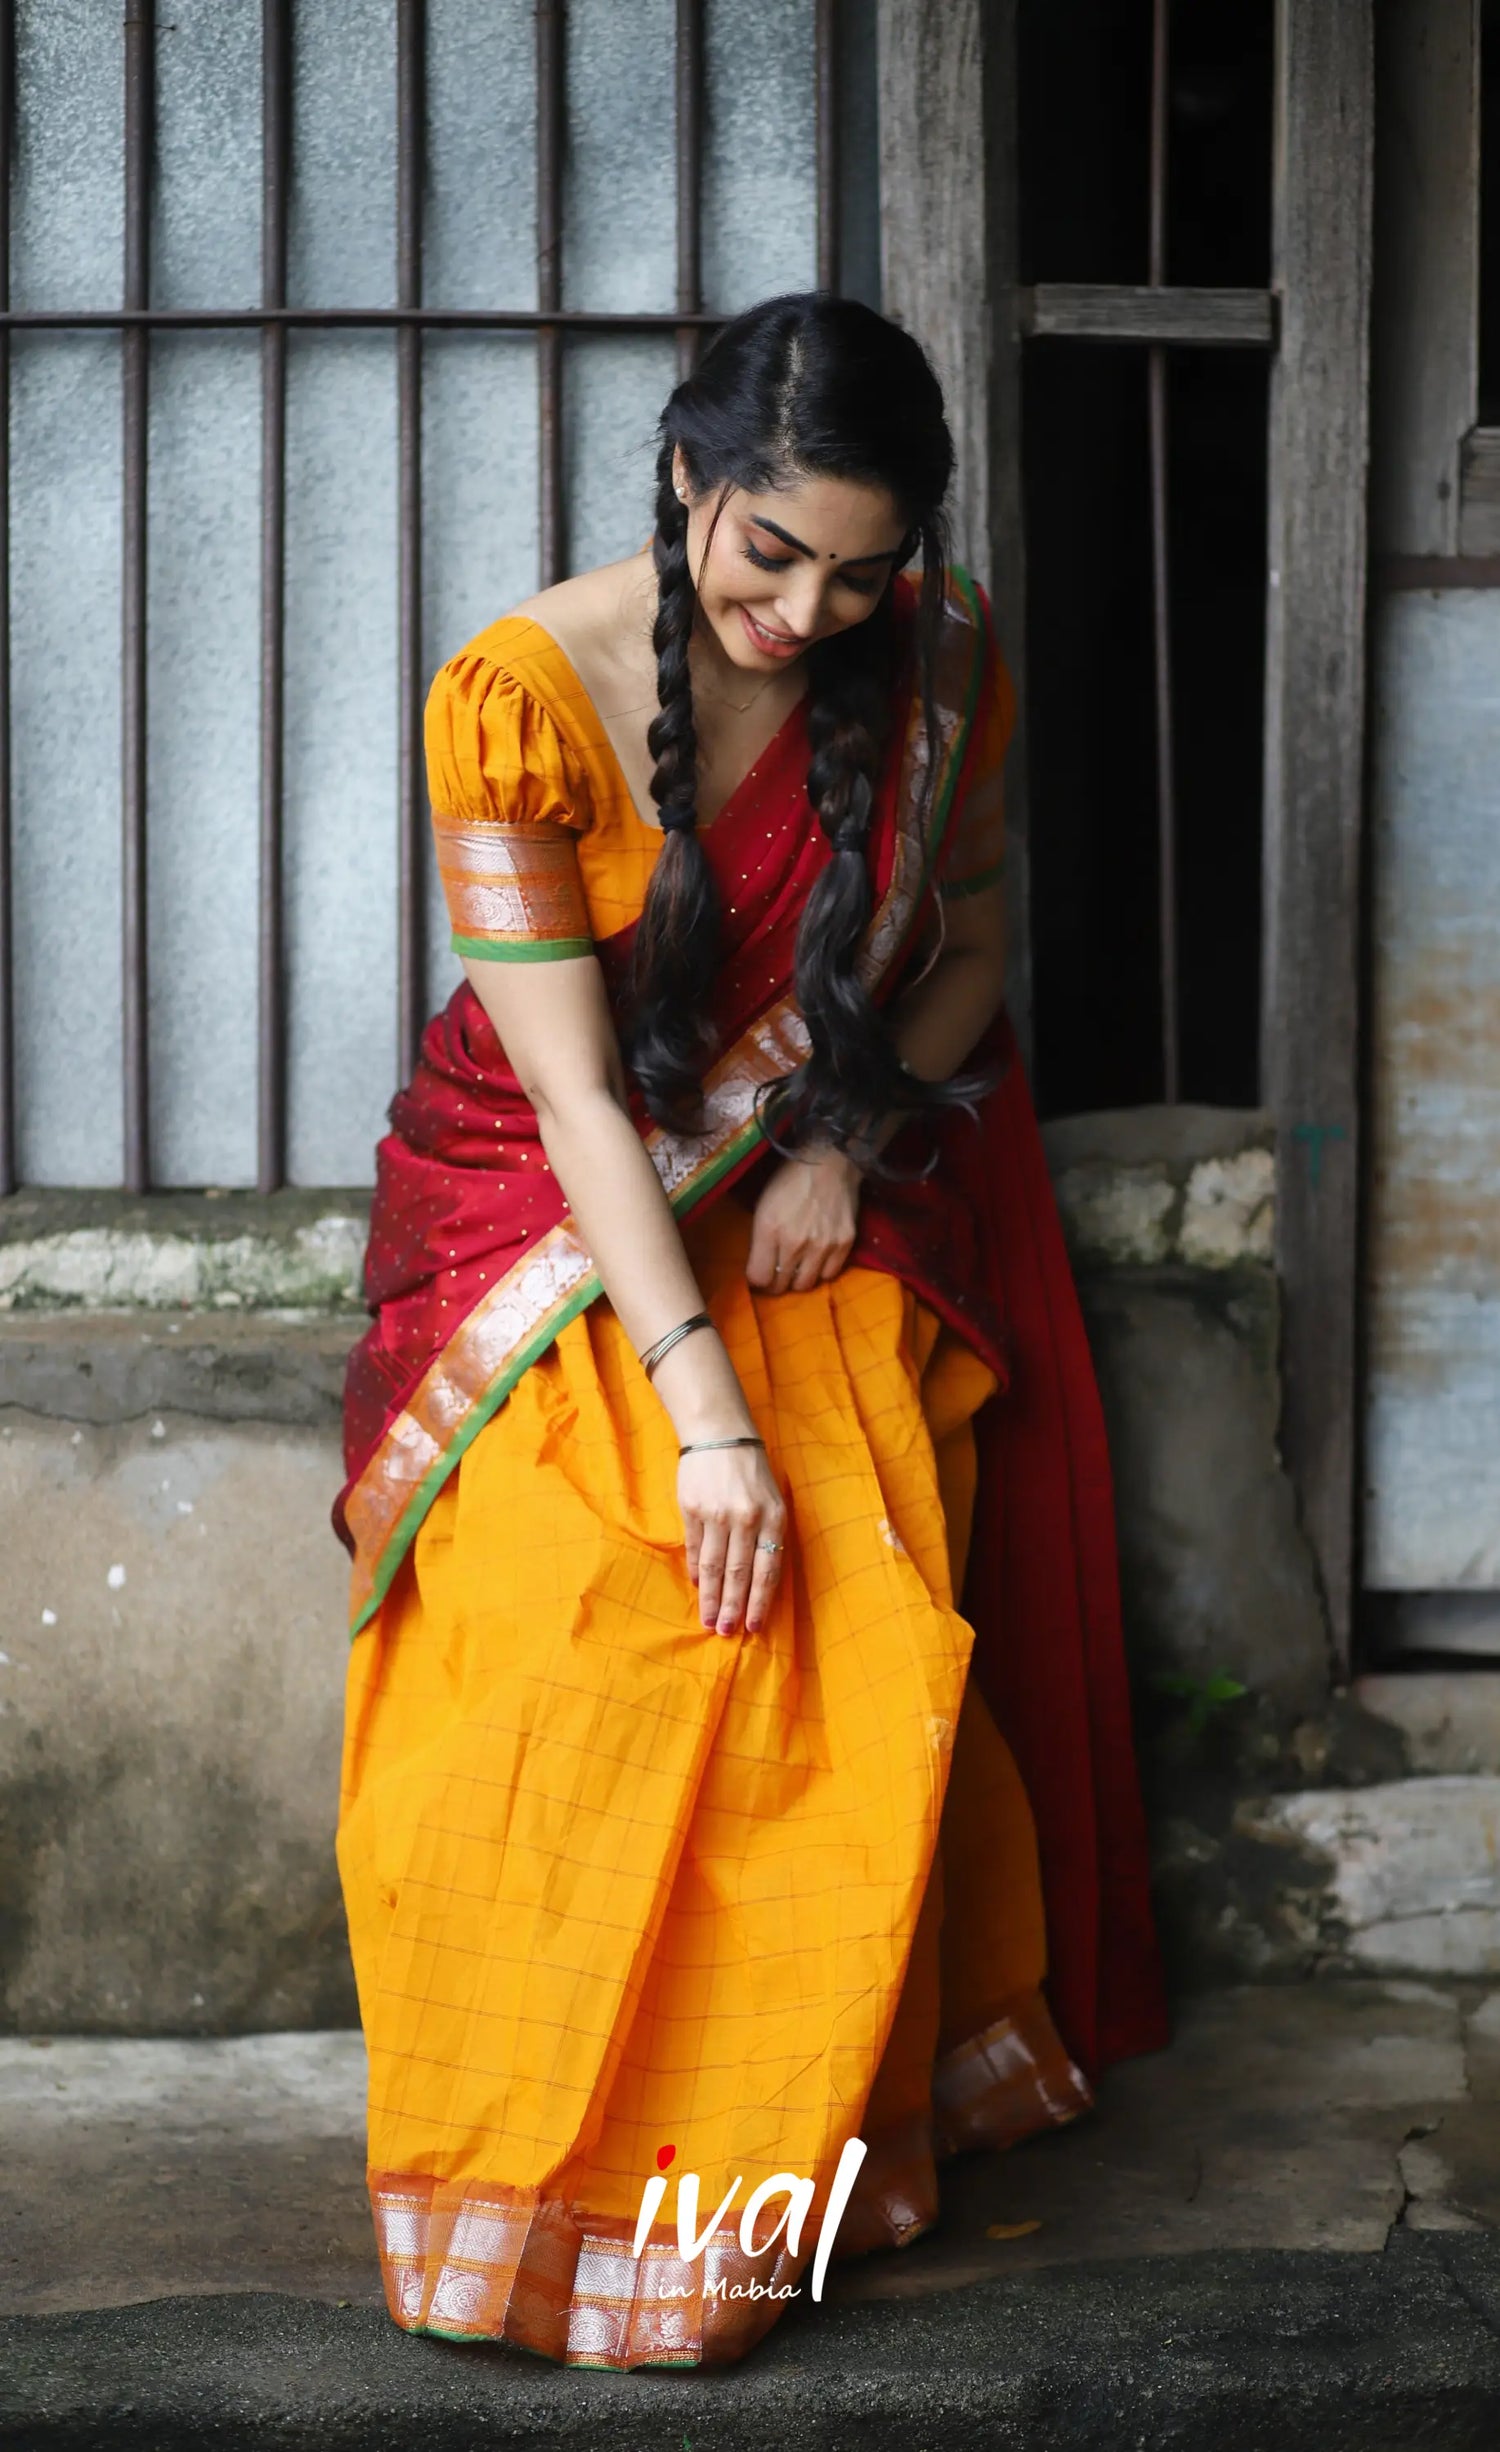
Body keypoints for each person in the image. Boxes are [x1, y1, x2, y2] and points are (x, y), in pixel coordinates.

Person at [333, 290, 1167, 2372]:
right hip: (559, 1208)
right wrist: (698, 1412)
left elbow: (974, 942)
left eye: (861, 569)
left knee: (856, 1606)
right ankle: (535, 2178)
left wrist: (846, 1132)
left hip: (809, 1184)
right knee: (580, 1620)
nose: (809, 608)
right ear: (690, 475)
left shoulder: (940, 651)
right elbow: (578, 1099)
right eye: (768, 550)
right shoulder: (517, 697)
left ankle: (780, 2166)